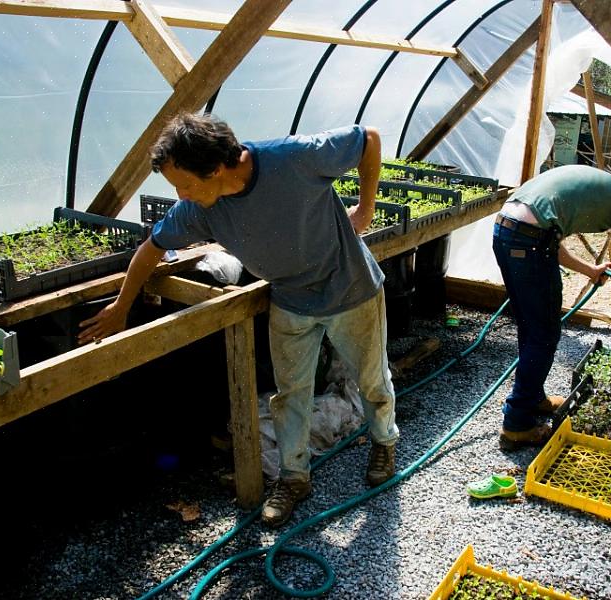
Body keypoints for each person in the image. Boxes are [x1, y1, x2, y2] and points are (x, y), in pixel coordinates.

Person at [78, 113, 399, 527]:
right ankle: (294, 478)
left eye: (186, 184)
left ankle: (384, 441)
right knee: (291, 395)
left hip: (350, 289)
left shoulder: (292, 159)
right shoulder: (199, 209)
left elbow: (368, 139)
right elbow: (153, 247)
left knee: (371, 378)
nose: (181, 195)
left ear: (216, 169)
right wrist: (121, 307)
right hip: (290, 300)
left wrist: (366, 209)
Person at [492, 164, 611, 450]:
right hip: (528, 239)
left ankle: (533, 398)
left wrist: (589, 270)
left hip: (507, 229)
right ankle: (516, 425)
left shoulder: (605, 189)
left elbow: (549, 235)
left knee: (532, 326)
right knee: (544, 334)